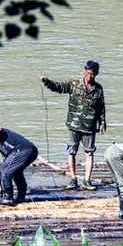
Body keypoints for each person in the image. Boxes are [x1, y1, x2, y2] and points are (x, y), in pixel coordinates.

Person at [41, 60, 106, 191]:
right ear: (84, 72)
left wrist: (103, 122)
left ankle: (87, 180)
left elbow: (101, 107)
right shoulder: (74, 84)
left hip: (89, 126)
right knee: (72, 151)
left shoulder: (98, 89)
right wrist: (47, 82)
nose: (89, 76)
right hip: (74, 124)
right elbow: (59, 87)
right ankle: (73, 178)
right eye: (87, 73)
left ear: (96, 74)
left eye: (92, 74)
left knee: (89, 153)